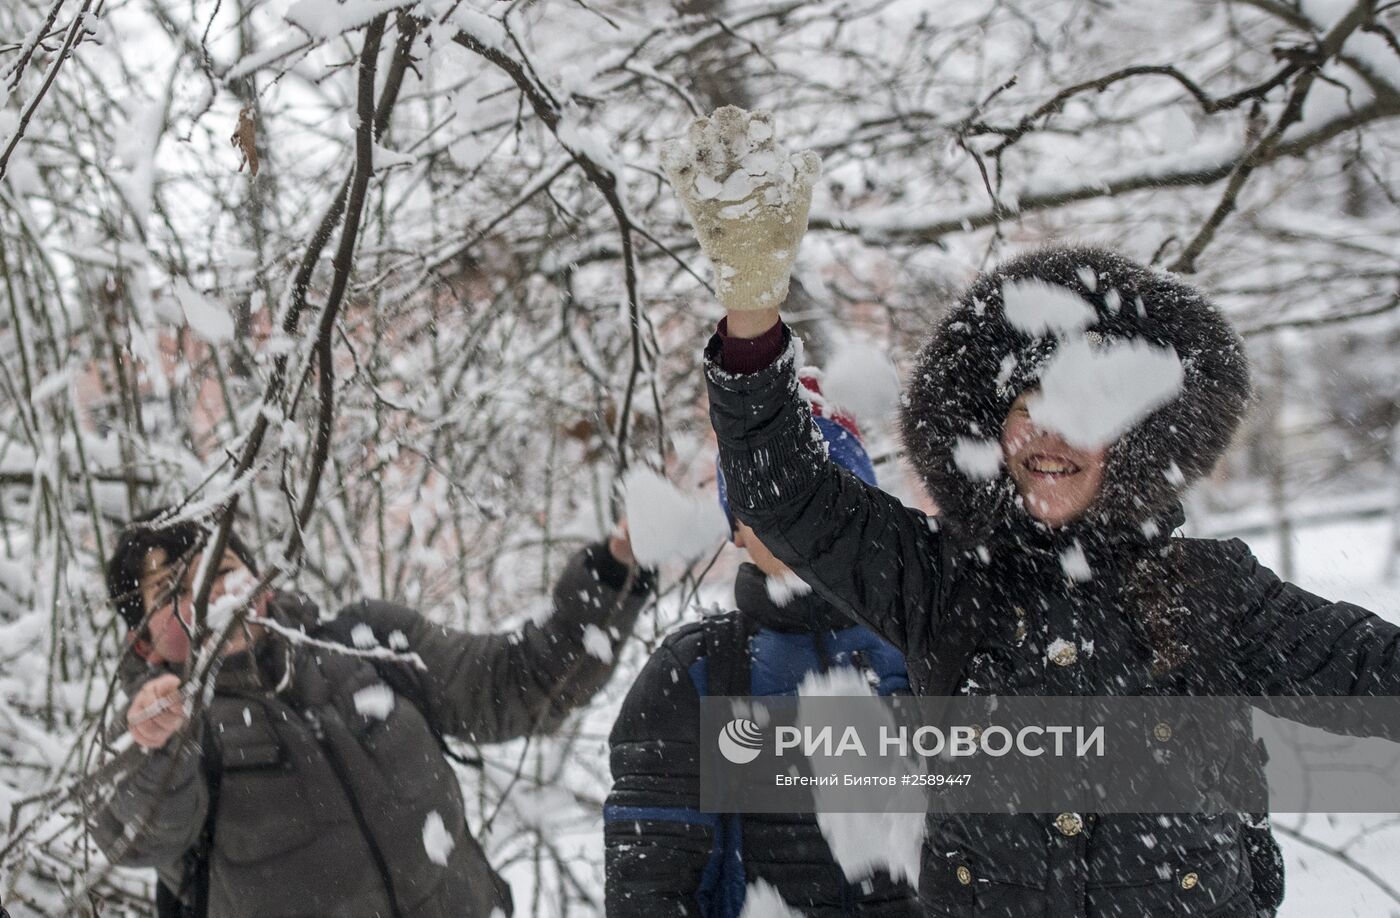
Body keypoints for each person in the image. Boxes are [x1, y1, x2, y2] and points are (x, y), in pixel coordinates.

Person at [660, 105, 1400, 917]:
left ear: (1133, 438)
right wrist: (753, 317)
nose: (1047, 434)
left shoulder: (1210, 591)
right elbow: (784, 499)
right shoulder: (939, 583)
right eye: (1025, 405)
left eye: (1083, 409)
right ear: (990, 427)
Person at [92, 508, 652, 918]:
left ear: (260, 581)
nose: (210, 597)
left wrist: (613, 573)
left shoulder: (367, 645)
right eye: (172, 590)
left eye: (222, 570)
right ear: (142, 642)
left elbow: (516, 685)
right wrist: (152, 741)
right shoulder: (157, 735)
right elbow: (137, 836)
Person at [604, 373, 919, 918]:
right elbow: (650, 895)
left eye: (826, 489)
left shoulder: (931, 649)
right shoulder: (691, 676)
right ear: (736, 526)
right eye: (769, 496)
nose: (798, 519)